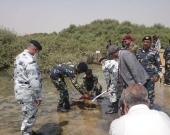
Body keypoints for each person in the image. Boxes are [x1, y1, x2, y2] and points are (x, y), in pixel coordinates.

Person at [14, 40, 42, 135]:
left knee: (26, 113)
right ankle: (26, 133)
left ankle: (28, 131)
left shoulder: (19, 56)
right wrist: (38, 97)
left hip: (19, 90)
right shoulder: (30, 60)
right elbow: (34, 81)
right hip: (27, 92)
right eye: (38, 51)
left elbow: (17, 75)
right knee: (31, 114)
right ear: (35, 49)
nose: (37, 53)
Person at [136, 36, 162, 108]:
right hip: (140, 77)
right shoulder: (138, 51)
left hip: (151, 77)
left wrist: (158, 75)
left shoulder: (154, 52)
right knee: (140, 94)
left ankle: (149, 109)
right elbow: (135, 64)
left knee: (150, 94)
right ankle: (141, 109)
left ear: (150, 43)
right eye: (144, 42)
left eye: (147, 42)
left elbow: (159, 65)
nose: (145, 43)